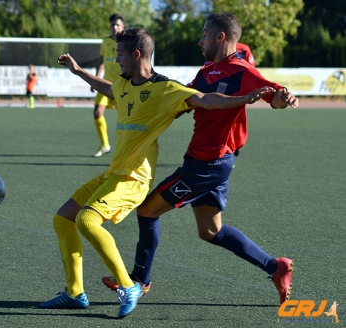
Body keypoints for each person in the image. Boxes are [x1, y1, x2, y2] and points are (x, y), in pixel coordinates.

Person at [40, 27, 274, 319]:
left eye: (120, 54)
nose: (116, 59)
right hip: (114, 173)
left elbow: (205, 100)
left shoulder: (166, 89)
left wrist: (243, 99)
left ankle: (130, 286)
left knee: (88, 221)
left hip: (133, 179)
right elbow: (108, 89)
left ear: (136, 54)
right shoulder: (124, 84)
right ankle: (75, 293)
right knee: (63, 218)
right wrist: (78, 72)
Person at [102, 13, 299, 306]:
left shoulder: (241, 71)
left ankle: (139, 280)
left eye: (204, 35)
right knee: (210, 231)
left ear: (221, 37)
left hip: (208, 164)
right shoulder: (206, 71)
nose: (199, 40)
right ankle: (276, 266)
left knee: (147, 211)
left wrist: (285, 97)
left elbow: (274, 96)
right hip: (208, 161)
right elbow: (184, 100)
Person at [91, 13, 125, 157]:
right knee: (97, 112)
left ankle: (124, 149)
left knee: (124, 119)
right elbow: (101, 62)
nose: (115, 27)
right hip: (105, 85)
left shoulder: (127, 42)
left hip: (122, 86)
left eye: (118, 24)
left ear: (123, 27)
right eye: (112, 25)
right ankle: (105, 145)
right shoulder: (105, 42)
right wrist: (96, 79)